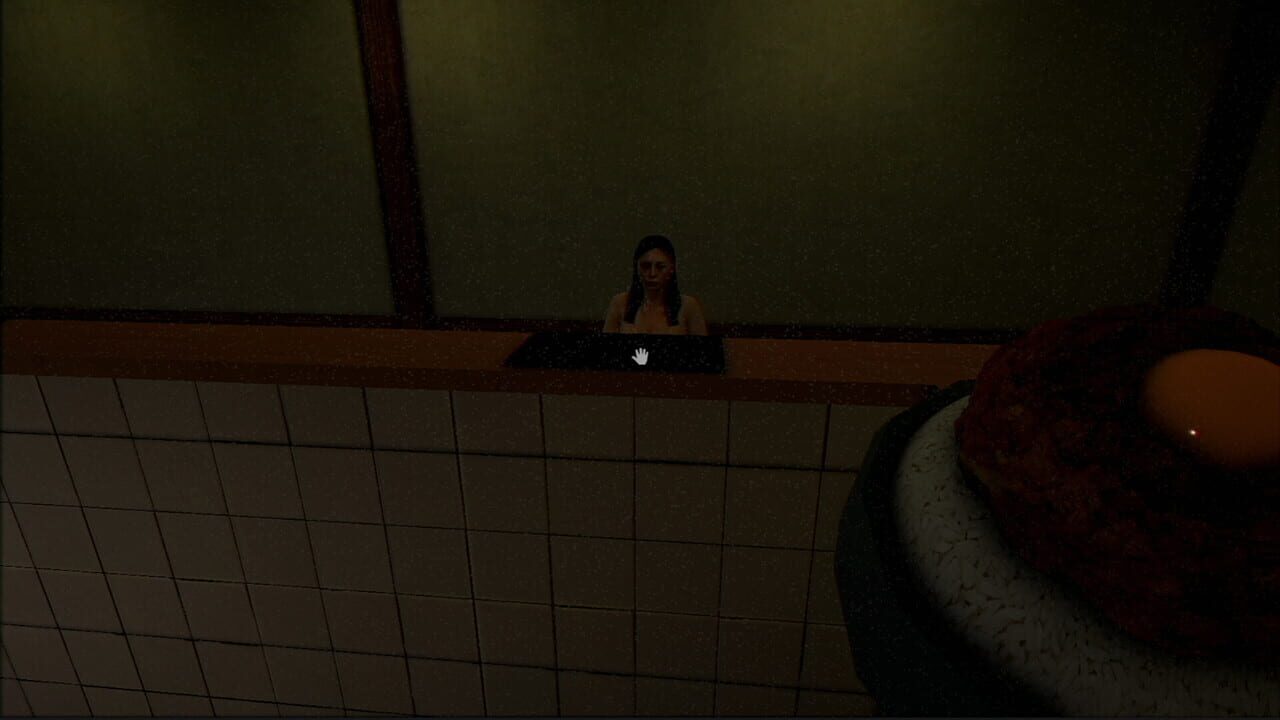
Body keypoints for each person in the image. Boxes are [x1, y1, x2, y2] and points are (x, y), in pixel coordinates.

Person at [603, 235, 708, 335]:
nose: (652, 274)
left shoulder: (688, 306)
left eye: (660, 267)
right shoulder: (620, 303)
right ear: (637, 267)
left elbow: (703, 346)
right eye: (645, 266)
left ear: (672, 268)